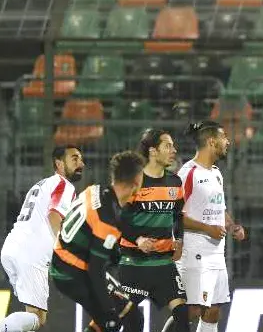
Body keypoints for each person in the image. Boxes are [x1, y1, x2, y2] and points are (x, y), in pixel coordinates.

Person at [50, 151, 147, 332]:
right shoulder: (107, 220)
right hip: (72, 272)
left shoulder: (95, 190)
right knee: (123, 318)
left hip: (64, 260)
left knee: (119, 317)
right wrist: (109, 310)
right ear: (136, 182)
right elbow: (96, 270)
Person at [0, 146, 84, 331]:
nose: (81, 164)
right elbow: (54, 217)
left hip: (12, 247)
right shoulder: (64, 186)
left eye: (81, 159)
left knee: (31, 317)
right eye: (75, 159)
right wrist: (66, 253)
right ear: (59, 163)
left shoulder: (41, 184)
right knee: (37, 318)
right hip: (31, 255)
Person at [115, 129, 190, 332]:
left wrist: (180, 240)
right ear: (153, 151)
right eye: (168, 146)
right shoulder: (132, 182)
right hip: (133, 264)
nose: (174, 150)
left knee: (183, 315)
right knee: (130, 322)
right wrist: (138, 239)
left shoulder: (175, 182)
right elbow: (119, 219)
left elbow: (178, 215)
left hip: (164, 264)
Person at [177, 121, 247, 332]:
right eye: (224, 137)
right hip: (194, 250)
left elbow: (219, 209)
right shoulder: (187, 173)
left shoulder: (216, 173)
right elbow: (175, 216)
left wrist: (232, 226)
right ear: (211, 141)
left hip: (216, 252)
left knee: (214, 310)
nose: (228, 142)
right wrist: (207, 229)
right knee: (193, 310)